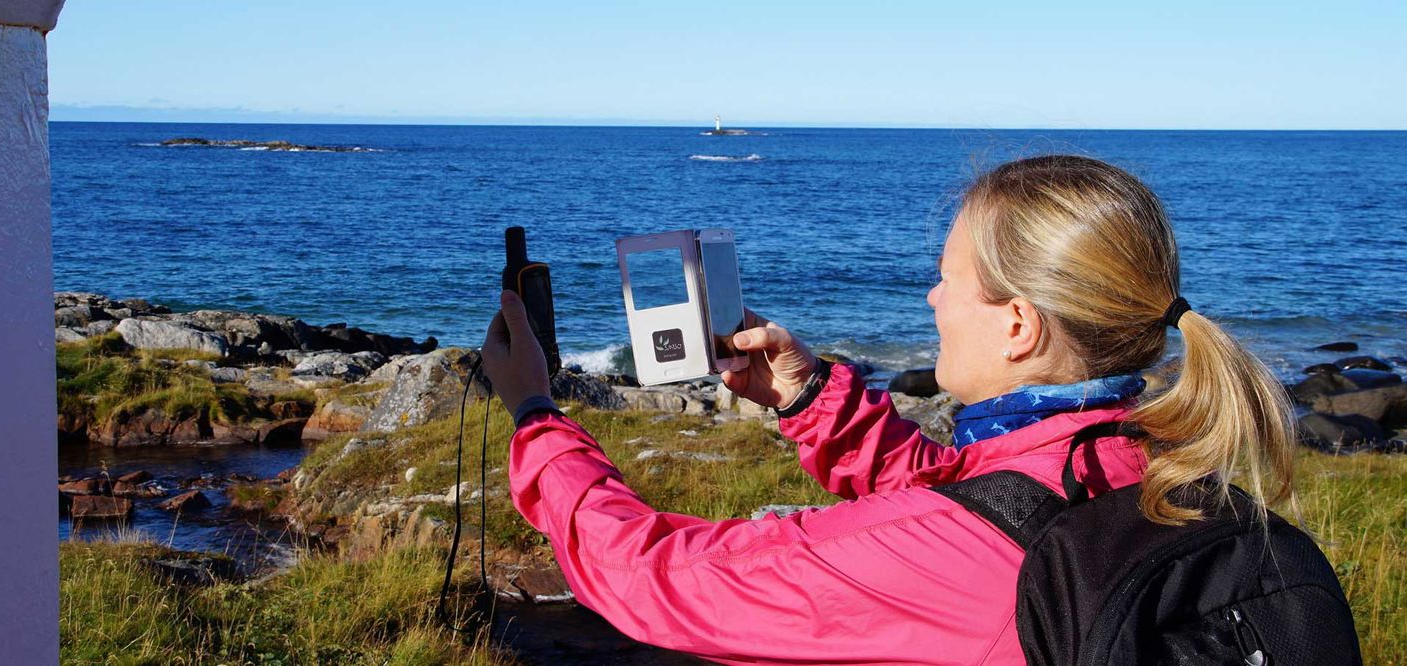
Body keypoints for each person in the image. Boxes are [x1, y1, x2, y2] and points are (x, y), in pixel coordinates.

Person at [481, 155, 1296, 664]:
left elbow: (659, 578)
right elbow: (978, 502)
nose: (932, 295)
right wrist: (807, 398)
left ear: (1018, 325)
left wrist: (534, 414)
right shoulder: (1142, 464)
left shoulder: (984, 559)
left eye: (949, 278)